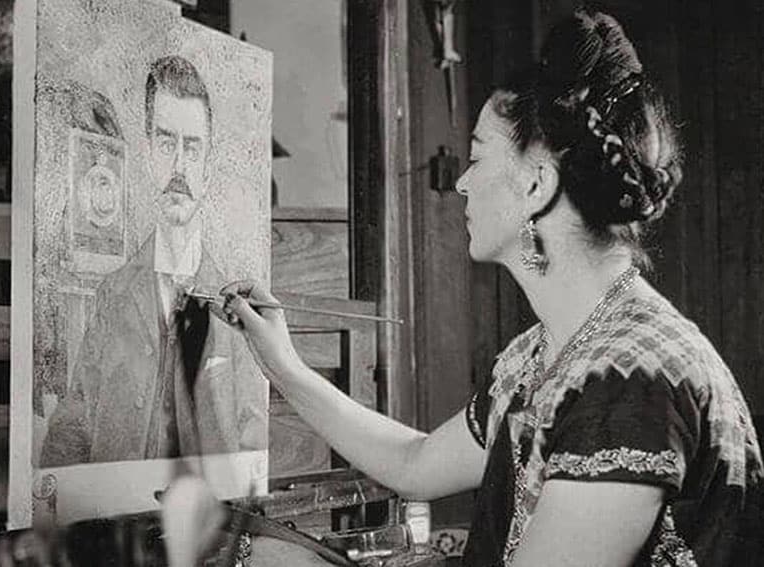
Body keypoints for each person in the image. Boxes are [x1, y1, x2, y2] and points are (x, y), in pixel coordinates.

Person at [213, 10, 764, 567]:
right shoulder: (541, 356)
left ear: (535, 184)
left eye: (476, 158)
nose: (460, 181)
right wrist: (282, 364)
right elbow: (417, 465)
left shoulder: (632, 380)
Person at [41, 55, 266, 466]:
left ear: (208, 167)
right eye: (166, 143)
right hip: (118, 522)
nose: (179, 166)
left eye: (192, 147)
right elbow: (72, 429)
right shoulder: (113, 294)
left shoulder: (238, 305)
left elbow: (255, 443)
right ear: (147, 155)